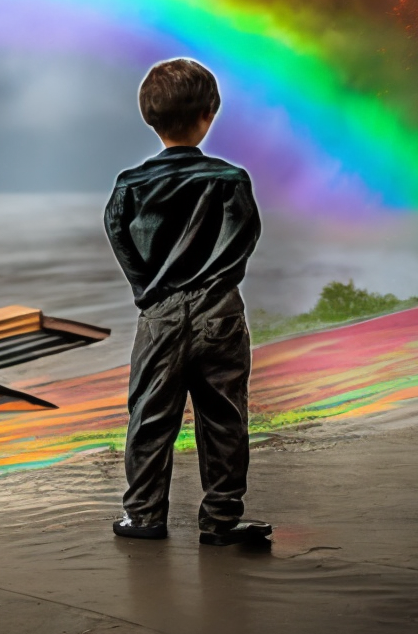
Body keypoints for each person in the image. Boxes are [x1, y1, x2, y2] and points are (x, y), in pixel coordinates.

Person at [103, 58, 272, 546]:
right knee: (224, 416)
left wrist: (149, 290)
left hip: (158, 314)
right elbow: (243, 238)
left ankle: (144, 516)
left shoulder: (129, 185)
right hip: (219, 311)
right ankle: (220, 521)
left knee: (150, 415)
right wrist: (213, 282)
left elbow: (119, 238)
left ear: (149, 117)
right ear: (210, 113)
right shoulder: (229, 179)